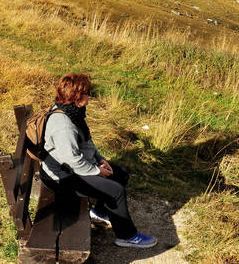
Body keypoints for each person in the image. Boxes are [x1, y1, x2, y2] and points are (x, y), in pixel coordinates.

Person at [38, 73, 157, 249]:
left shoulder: (73, 113)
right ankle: (126, 236)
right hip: (61, 179)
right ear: (76, 96)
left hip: (71, 168)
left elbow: (87, 144)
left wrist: (100, 160)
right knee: (115, 191)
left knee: (120, 174)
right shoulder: (63, 124)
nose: (90, 96)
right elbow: (72, 160)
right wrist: (97, 171)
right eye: (87, 92)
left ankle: (100, 212)